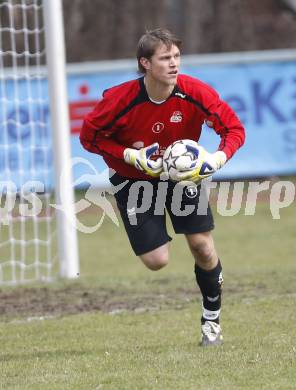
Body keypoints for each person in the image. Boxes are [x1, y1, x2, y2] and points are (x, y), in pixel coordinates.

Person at [80, 28, 245, 346]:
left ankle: (211, 320)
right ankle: (207, 285)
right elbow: (90, 137)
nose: (174, 64)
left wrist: (217, 159)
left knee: (202, 247)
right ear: (145, 63)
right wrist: (130, 155)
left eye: (177, 57)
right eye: (165, 58)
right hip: (133, 181)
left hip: (183, 178)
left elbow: (234, 129)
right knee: (157, 261)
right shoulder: (119, 99)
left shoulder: (196, 91)